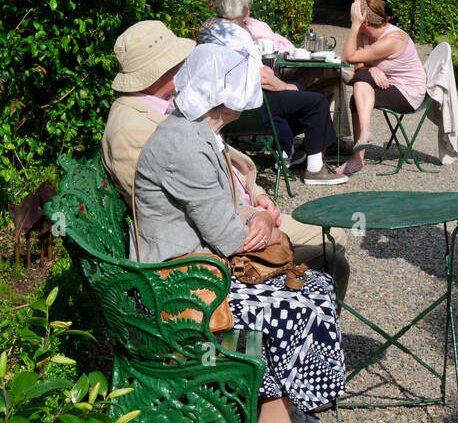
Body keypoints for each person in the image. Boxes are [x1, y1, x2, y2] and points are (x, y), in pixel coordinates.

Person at [132, 41, 347, 423]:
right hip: (181, 286)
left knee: (315, 284)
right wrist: (260, 223)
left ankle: (286, 405)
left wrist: (256, 216)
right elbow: (231, 238)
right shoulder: (186, 145)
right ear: (225, 95)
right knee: (293, 302)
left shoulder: (196, 131)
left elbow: (226, 211)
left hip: (202, 266)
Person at [100, 20, 350, 299]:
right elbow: (170, 208)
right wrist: (262, 224)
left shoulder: (177, 110)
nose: (183, 65)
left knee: (322, 259)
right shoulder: (133, 128)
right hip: (192, 268)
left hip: (229, 223)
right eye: (175, 61)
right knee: (329, 257)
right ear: (158, 70)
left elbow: (204, 190)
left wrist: (256, 203)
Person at [201, 0, 346, 186]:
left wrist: (285, 85)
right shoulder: (238, 34)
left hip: (223, 103)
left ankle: (288, 151)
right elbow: (261, 78)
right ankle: (314, 168)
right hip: (249, 107)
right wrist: (283, 87)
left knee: (297, 90)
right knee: (316, 102)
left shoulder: (207, 27)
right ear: (245, 9)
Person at [337, 0, 427, 177]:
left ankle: (360, 149)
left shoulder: (392, 40)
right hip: (389, 85)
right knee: (359, 86)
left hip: (408, 92)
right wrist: (372, 68)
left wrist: (355, 26)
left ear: (365, 21)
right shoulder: (366, 34)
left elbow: (346, 57)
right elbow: (358, 67)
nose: (351, 21)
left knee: (359, 90)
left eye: (355, 18)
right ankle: (362, 145)